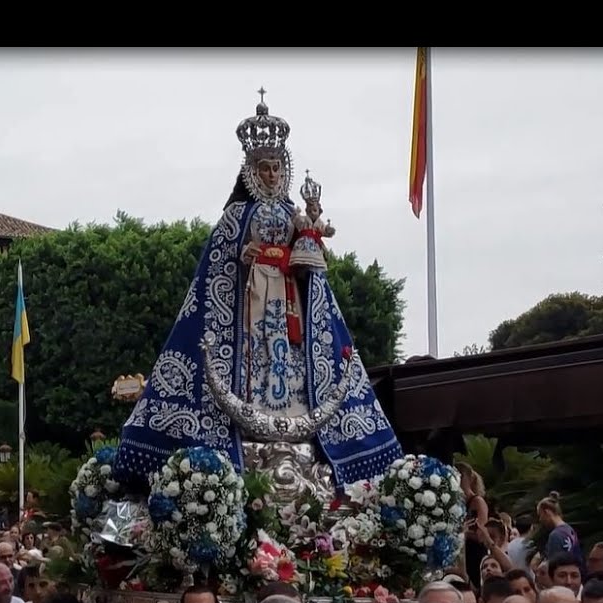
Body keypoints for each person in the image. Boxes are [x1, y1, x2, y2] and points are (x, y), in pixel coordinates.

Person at [114, 91, 401, 488]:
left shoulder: (292, 214)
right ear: (251, 171)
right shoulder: (234, 216)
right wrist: (245, 254)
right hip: (249, 302)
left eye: (276, 168)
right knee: (256, 352)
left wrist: (307, 247)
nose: (271, 175)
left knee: (288, 354)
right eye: (264, 168)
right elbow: (216, 269)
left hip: (288, 298)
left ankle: (295, 415)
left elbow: (311, 261)